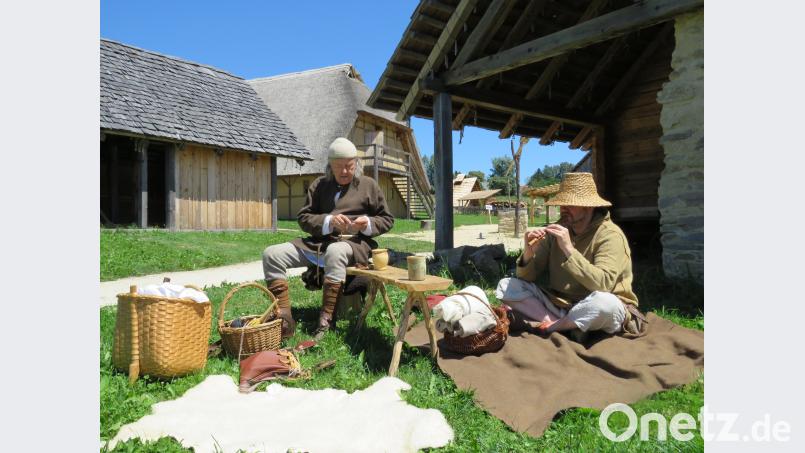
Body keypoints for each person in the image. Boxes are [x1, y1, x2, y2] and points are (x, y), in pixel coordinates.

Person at [262, 137, 394, 340]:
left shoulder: (369, 185)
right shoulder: (319, 185)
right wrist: (329, 221)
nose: (344, 172)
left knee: (336, 250)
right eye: (338, 167)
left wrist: (366, 223)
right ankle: (284, 321)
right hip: (319, 243)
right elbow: (304, 218)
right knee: (272, 254)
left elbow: (386, 219)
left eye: (349, 167)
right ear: (329, 166)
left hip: (354, 244)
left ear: (356, 164)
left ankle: (326, 322)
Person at [502, 172, 642, 339]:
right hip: (561, 305)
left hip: (598, 305)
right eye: (561, 204)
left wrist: (569, 250)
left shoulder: (610, 235)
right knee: (507, 285)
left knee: (605, 303)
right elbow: (525, 278)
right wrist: (528, 252)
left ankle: (553, 327)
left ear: (588, 207)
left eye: (570, 204)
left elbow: (603, 285)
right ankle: (563, 324)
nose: (563, 209)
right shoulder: (556, 231)